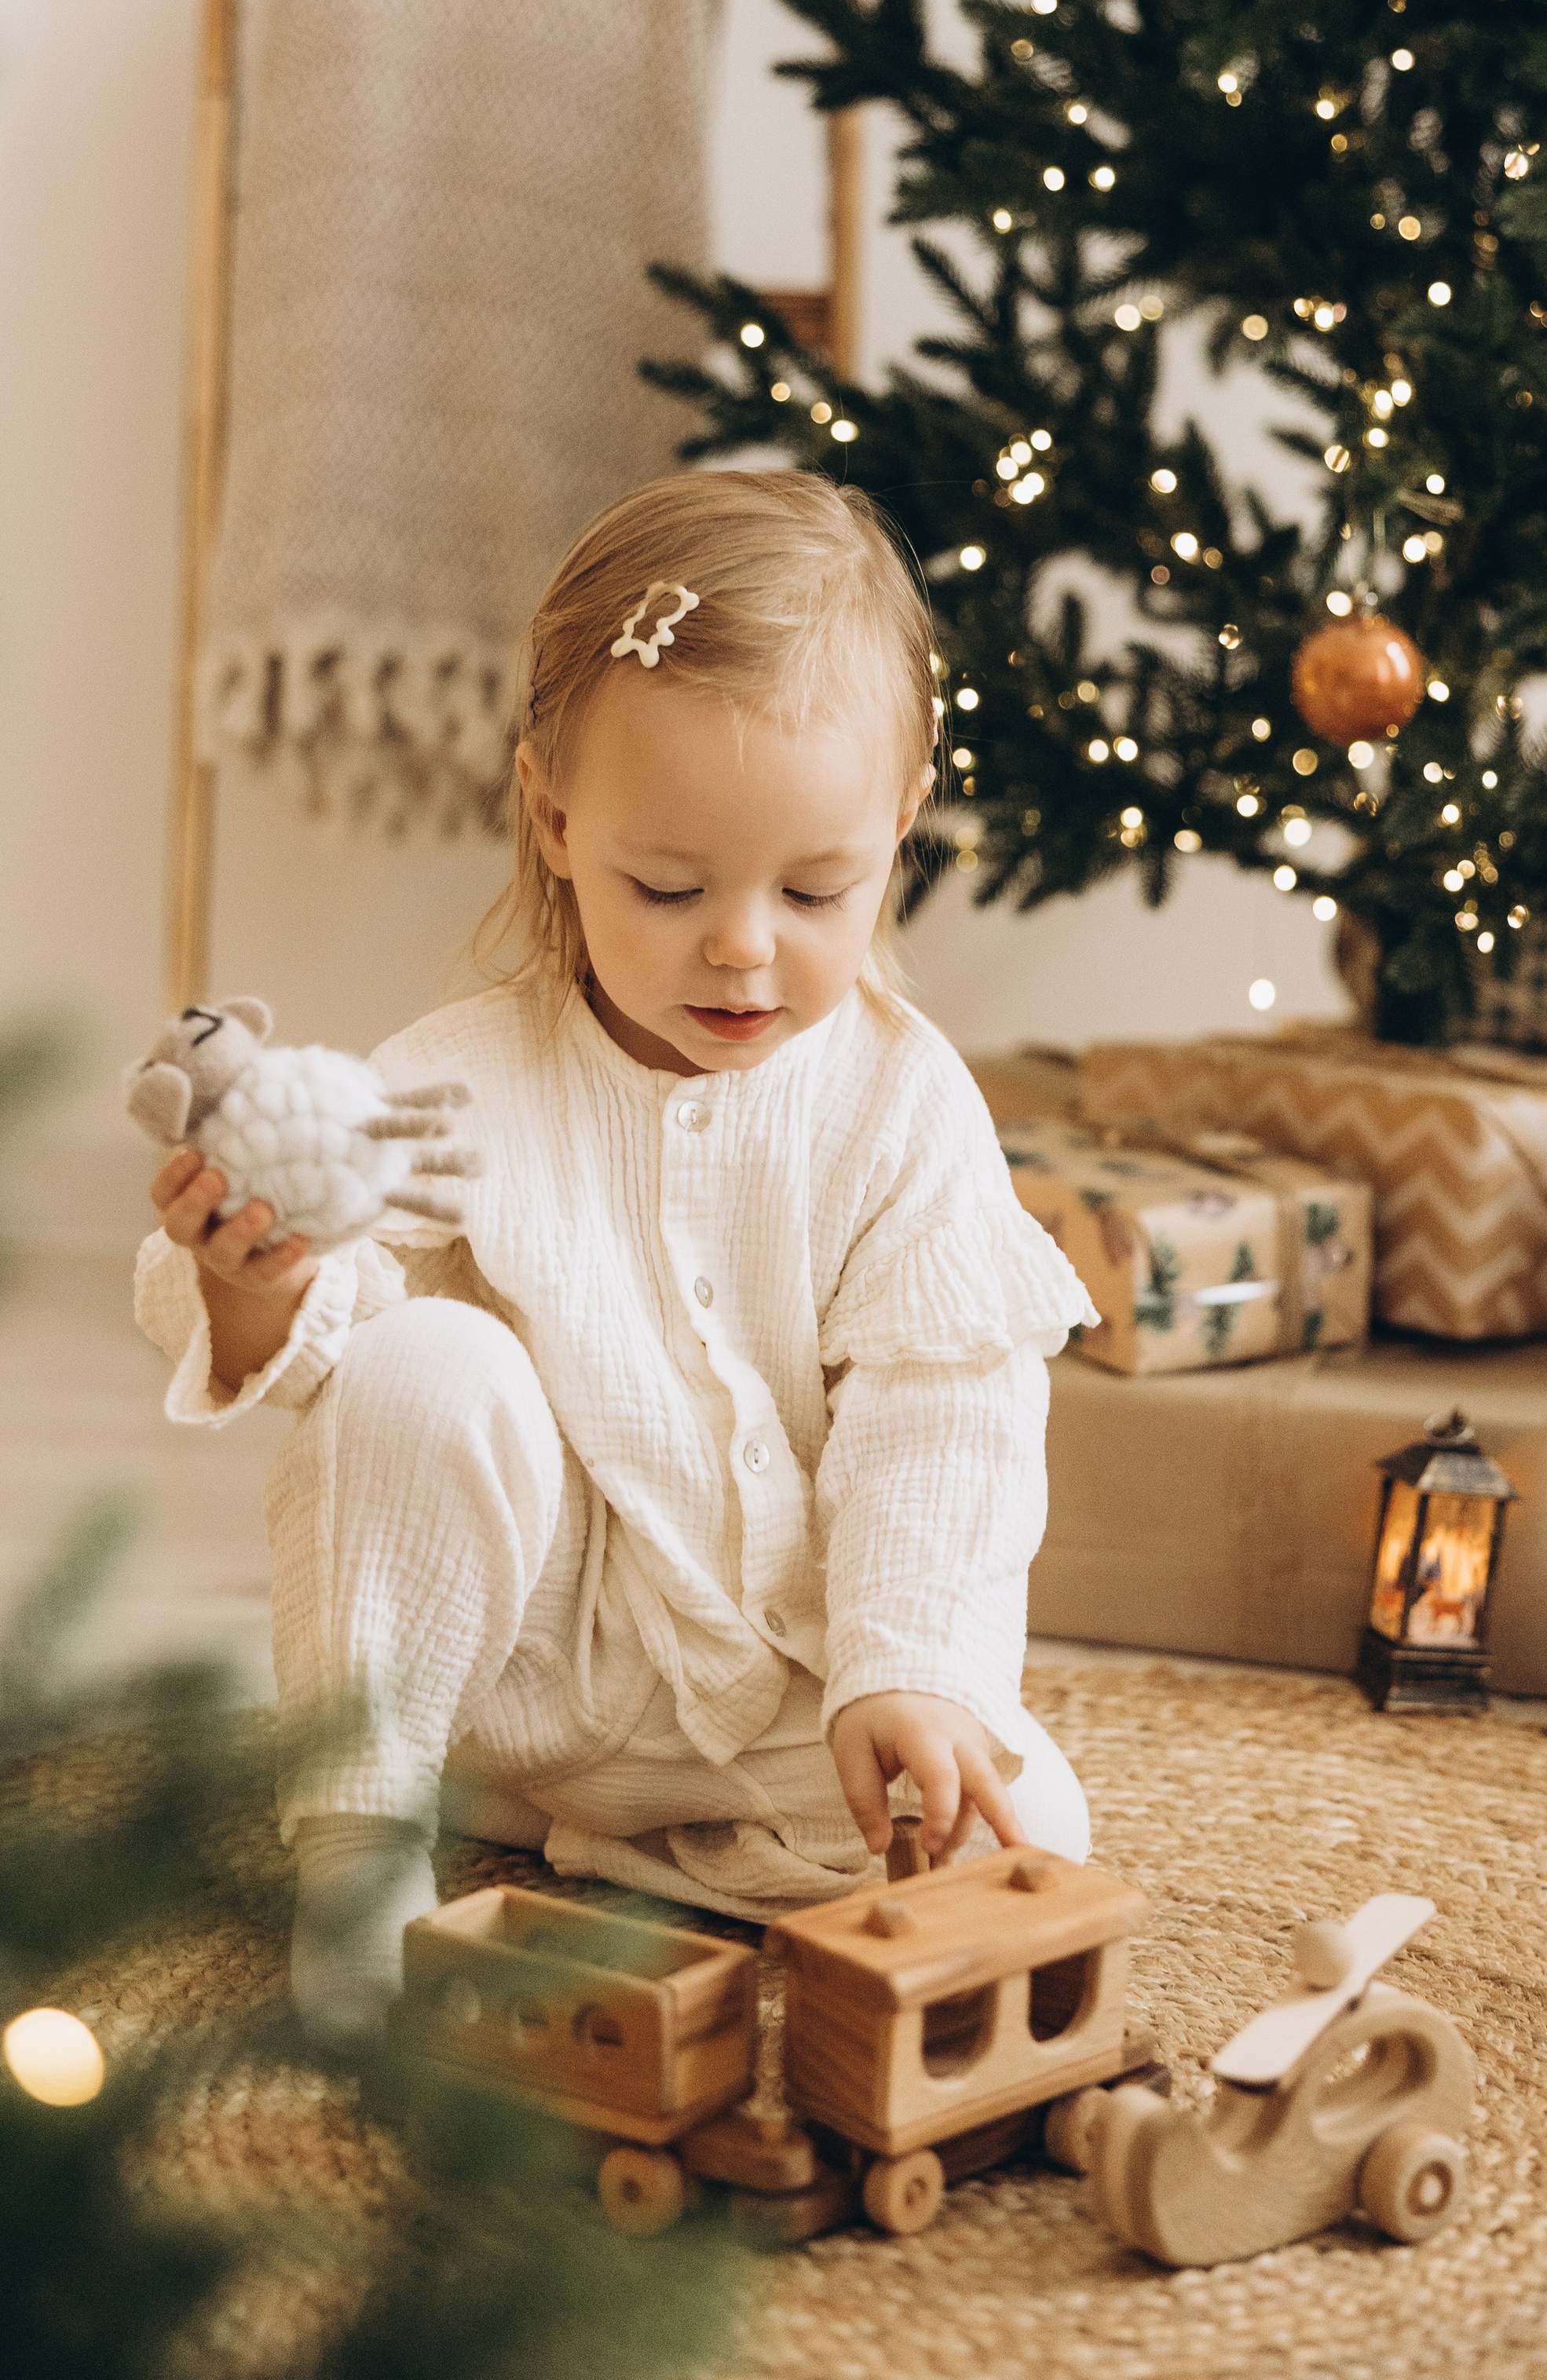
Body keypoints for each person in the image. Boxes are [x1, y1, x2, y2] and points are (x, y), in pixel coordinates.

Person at [136, 470, 1094, 2037]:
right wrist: (260, 1274)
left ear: (900, 823)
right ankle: (368, 1846)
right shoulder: (458, 1081)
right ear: (557, 821)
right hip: (519, 1682)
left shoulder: (903, 1109)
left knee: (1027, 1825)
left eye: (813, 889)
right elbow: (330, 1356)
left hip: (775, 1694)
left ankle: (637, 1841)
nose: (739, 943)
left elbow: (946, 1411)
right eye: (667, 887)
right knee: (419, 1362)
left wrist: (903, 1674)